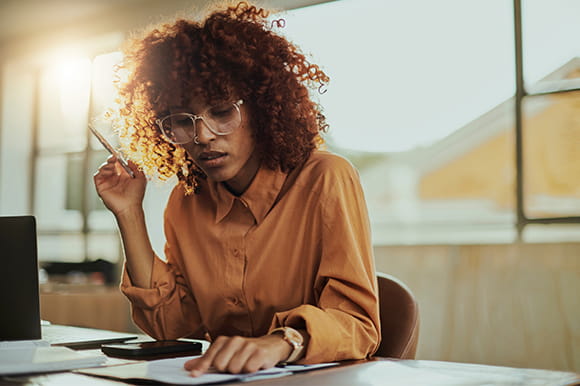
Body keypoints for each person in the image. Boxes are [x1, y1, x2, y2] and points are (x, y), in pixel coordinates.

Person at [94, 1, 380, 376]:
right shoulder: (186, 202)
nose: (202, 136)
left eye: (222, 112)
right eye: (181, 120)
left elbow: (359, 325)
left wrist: (279, 343)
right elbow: (172, 326)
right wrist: (129, 214)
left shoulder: (324, 179)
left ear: (261, 108)